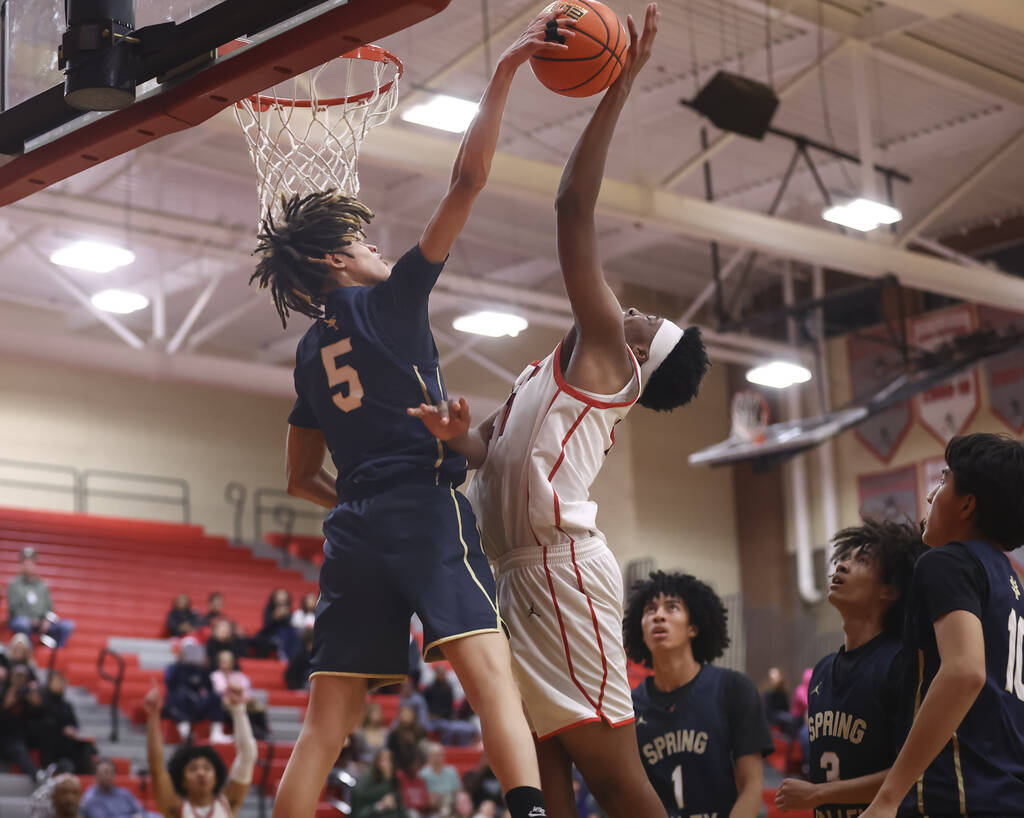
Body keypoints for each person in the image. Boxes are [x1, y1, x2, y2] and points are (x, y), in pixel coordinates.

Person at [250, 13, 578, 818]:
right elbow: (466, 182)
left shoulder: (305, 356)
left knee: (326, 728)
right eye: (364, 243)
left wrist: (354, 503)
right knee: (488, 675)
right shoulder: (391, 302)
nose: (379, 250)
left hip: (353, 530)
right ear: (336, 260)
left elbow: (296, 476)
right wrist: (502, 72)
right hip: (424, 512)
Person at [411, 8, 704, 818]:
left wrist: (620, 87)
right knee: (540, 785)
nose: (624, 310)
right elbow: (487, 452)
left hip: (562, 572)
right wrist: (454, 436)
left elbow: (574, 205)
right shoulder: (548, 374)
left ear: (641, 358)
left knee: (617, 781)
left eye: (640, 319)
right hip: (513, 573)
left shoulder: (608, 359)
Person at [860, 434, 1024, 818]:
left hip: (958, 795)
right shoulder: (1012, 583)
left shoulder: (948, 561)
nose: (932, 496)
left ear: (967, 504)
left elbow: (964, 671)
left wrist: (887, 798)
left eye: (943, 481)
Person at [775, 518, 925, 817]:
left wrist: (817, 793)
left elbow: (914, 772)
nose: (841, 566)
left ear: (890, 591)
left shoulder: (902, 663)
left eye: (862, 561)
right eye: (843, 558)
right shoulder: (821, 670)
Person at [624, 571, 773, 818]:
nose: (658, 616)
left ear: (693, 627)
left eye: (671, 608)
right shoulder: (630, 706)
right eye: (650, 610)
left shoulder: (734, 689)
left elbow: (752, 785)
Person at [143, 681, 257, 818]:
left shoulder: (228, 801)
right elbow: (156, 767)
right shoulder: (175, 808)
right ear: (182, 779)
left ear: (216, 776)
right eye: (193, 769)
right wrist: (154, 716)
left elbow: (247, 757)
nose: (201, 773)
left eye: (207, 768)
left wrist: (238, 709)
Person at [30, 671, 96, 773]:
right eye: (57, 681)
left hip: (67, 740)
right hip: (50, 740)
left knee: (85, 747)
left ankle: (86, 776)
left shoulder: (67, 705)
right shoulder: (43, 702)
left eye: (62, 682)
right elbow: (41, 720)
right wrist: (62, 729)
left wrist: (72, 730)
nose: (60, 684)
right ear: (49, 683)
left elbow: (74, 724)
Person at [161, 639, 226, 742]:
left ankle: (217, 733)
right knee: (179, 697)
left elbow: (209, 687)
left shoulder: (201, 669)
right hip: (180, 703)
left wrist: (205, 665)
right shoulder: (174, 668)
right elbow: (170, 685)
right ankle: (185, 733)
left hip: (196, 702)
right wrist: (180, 663)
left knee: (215, 698)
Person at [8, 548, 75, 647]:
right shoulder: (14, 584)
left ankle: (54, 652)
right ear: (21, 565)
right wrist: (31, 620)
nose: (28, 566)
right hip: (23, 621)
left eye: (31, 563)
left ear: (35, 565)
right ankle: (27, 653)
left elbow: (50, 608)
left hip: (41, 622)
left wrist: (47, 620)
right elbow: (13, 609)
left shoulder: (42, 585)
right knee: (22, 624)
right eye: (25, 563)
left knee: (68, 625)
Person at [80, 758, 144, 818]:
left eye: (112, 772)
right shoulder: (90, 798)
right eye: (105, 772)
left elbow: (140, 811)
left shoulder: (124, 793)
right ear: (96, 776)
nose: (109, 775)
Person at [351, 749, 405, 818]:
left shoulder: (393, 779)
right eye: (384, 760)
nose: (387, 764)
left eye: (390, 761)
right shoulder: (367, 779)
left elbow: (400, 808)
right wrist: (380, 805)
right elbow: (359, 813)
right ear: (377, 762)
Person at [420, 742, 461, 815]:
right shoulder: (422, 774)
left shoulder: (452, 772)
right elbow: (423, 797)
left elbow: (458, 792)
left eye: (440, 755)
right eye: (435, 755)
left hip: (450, 806)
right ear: (429, 757)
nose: (438, 758)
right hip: (430, 810)